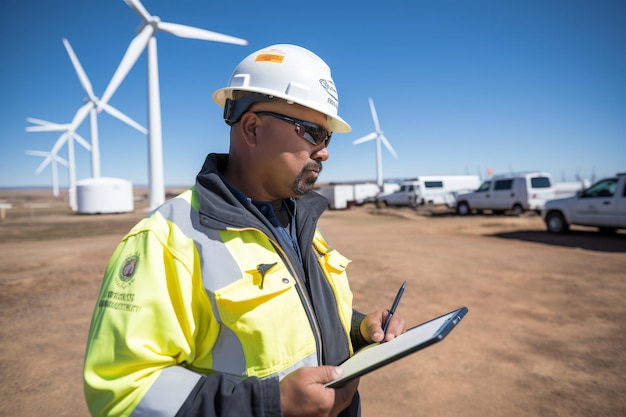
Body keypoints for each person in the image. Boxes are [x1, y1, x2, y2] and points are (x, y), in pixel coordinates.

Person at [83, 43, 406, 417]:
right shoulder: (168, 241)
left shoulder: (299, 222)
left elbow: (297, 324)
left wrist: (358, 329)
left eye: (328, 137)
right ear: (252, 128)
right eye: (314, 133)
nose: (325, 151)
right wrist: (269, 406)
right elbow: (120, 394)